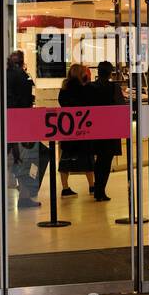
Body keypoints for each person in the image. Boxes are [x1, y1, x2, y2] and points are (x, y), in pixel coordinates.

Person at [0, 50, 46, 210]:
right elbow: (28, 102)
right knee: (25, 161)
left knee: (3, 163)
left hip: (2, 123)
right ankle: (25, 196)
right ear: (22, 62)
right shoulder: (23, 77)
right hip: (20, 124)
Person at [88, 60, 125, 202]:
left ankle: (97, 189)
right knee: (106, 160)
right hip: (110, 128)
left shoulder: (91, 87)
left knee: (98, 161)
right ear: (110, 73)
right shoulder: (113, 87)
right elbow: (120, 106)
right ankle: (101, 190)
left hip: (95, 128)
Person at [58, 62, 95, 196]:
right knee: (87, 157)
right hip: (82, 126)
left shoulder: (64, 87)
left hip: (67, 127)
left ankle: (65, 187)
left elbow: (62, 103)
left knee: (66, 159)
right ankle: (92, 186)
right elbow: (89, 102)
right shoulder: (83, 88)